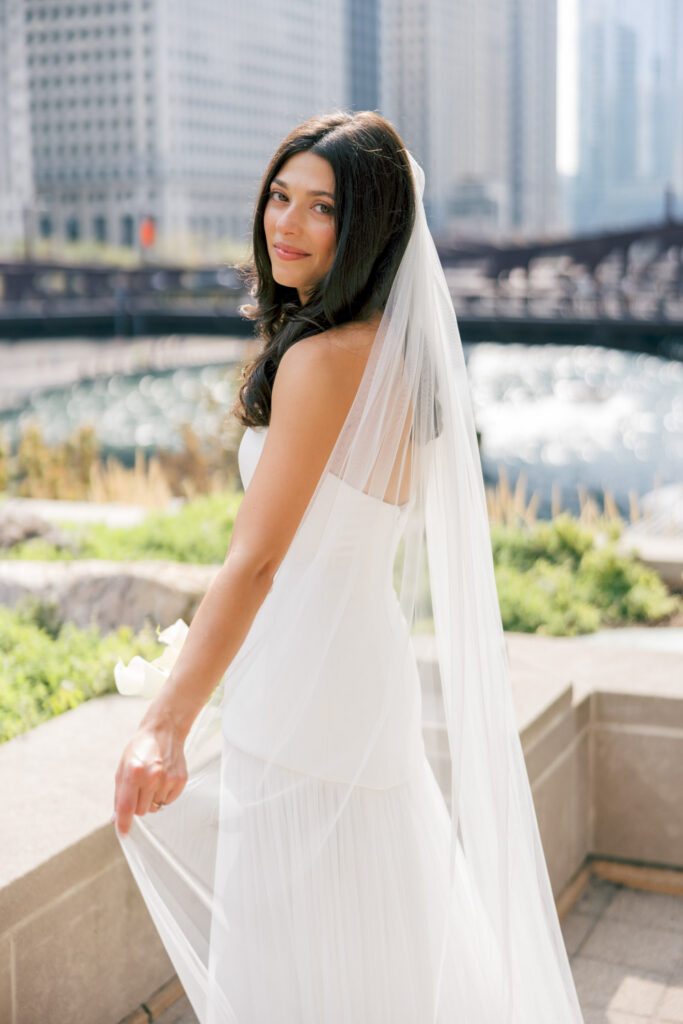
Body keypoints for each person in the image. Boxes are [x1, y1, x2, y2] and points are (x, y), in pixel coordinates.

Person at [113, 110, 585, 1023]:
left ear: (365, 225)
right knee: (381, 924)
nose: (284, 224)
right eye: (279, 197)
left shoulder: (320, 362)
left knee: (286, 947)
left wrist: (165, 722)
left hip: (300, 686)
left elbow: (255, 565)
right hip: (361, 678)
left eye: (319, 208)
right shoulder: (400, 361)